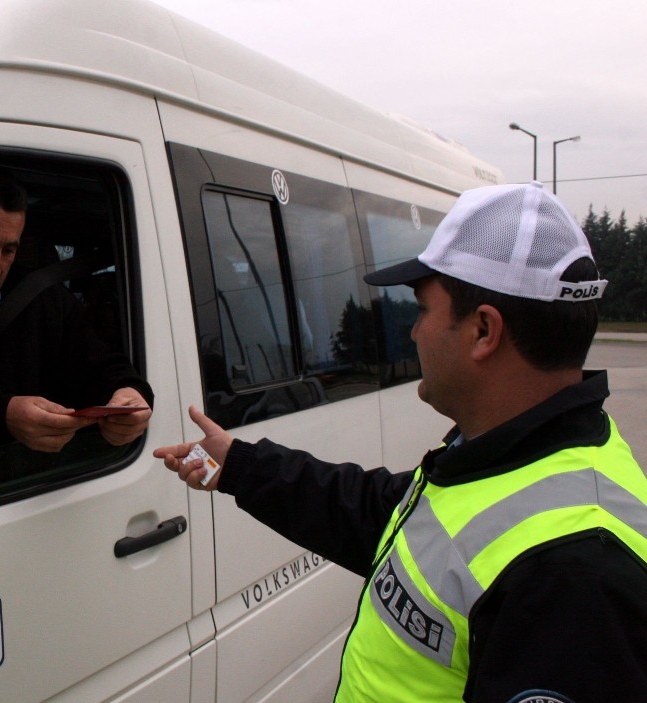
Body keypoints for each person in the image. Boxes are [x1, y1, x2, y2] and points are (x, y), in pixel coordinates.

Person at [154, 181, 647, 702]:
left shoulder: (574, 573)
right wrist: (237, 465)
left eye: (421, 311)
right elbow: (377, 511)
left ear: (484, 330)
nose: (412, 333)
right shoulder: (507, 458)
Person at [0, 162, 153, 453]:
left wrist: (130, 394)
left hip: (29, 481)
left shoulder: (42, 300)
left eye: (9, 250)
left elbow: (102, 363)